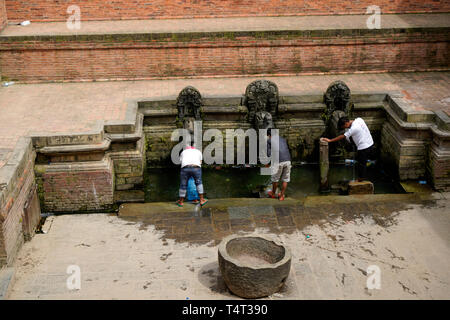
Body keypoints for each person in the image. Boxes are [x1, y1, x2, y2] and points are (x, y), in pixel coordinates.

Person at [322, 116, 375, 181]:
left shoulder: (353, 128)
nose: (345, 128)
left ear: (346, 123)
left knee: (361, 164)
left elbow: (342, 136)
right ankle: (363, 177)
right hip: (370, 143)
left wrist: (330, 140)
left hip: (363, 147)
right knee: (363, 163)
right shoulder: (359, 119)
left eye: (344, 127)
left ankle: (361, 180)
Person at [266, 128, 291, 201]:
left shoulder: (269, 140)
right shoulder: (283, 139)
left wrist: (268, 163)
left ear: (269, 135)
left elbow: (268, 154)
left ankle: (273, 194)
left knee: (275, 179)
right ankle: (281, 196)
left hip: (278, 162)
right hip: (288, 161)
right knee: (285, 179)